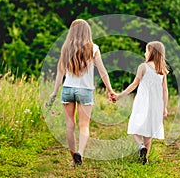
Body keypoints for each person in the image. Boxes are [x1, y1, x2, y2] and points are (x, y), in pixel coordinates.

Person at [49, 19, 115, 166]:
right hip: (85, 90)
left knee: (69, 125)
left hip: (67, 89)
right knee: (84, 126)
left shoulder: (65, 48)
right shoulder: (93, 48)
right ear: (87, 32)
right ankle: (80, 153)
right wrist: (110, 89)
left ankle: (74, 158)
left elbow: (60, 72)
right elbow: (103, 72)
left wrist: (54, 91)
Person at [113, 41, 168, 164]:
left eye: (147, 50)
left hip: (142, 101)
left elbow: (134, 84)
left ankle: (140, 146)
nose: (145, 53)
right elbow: (165, 90)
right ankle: (145, 158)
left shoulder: (143, 66)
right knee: (149, 129)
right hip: (156, 103)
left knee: (134, 126)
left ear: (151, 53)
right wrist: (164, 107)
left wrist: (119, 95)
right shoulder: (162, 70)